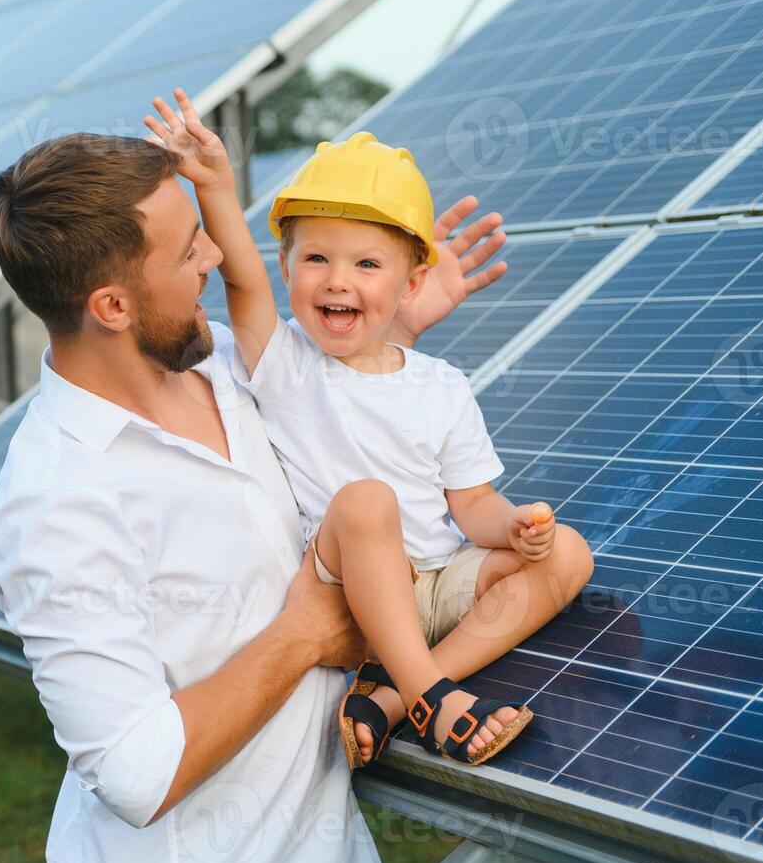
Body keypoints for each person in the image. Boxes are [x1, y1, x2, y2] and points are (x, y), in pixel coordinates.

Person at [0, 122, 509, 863]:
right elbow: (137, 775)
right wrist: (303, 633)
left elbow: (322, 409)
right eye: (187, 248)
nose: (216, 256)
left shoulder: (224, 364)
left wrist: (388, 330)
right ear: (112, 306)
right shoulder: (57, 506)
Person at [142, 90, 594, 772]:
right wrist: (213, 181)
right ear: (287, 267)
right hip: (353, 592)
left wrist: (513, 531)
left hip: (441, 583)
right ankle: (434, 702)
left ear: (411, 281)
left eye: (365, 264)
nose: (336, 282)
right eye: (315, 259)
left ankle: (391, 697)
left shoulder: (439, 385)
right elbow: (239, 275)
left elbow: (470, 506)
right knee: (366, 500)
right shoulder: (284, 361)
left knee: (568, 555)